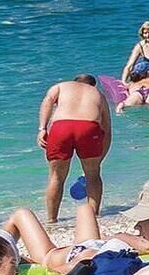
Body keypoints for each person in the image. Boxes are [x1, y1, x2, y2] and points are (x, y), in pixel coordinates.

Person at [37, 74, 111, 222]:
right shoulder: (98, 95)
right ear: (93, 85)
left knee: (56, 177)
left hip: (61, 127)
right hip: (89, 127)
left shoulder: (60, 86)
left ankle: (52, 220)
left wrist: (42, 128)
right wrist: (99, 159)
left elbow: (48, 101)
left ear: (74, 82)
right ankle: (94, 216)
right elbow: (107, 130)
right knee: (92, 175)